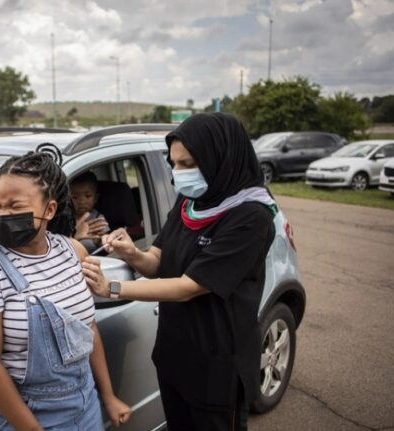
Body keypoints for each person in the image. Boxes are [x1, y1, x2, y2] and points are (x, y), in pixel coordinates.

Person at [81, 113, 277, 431]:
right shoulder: (190, 202)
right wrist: (133, 254)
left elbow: (190, 286)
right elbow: (158, 261)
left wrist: (111, 288)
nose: (178, 174)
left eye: (187, 164)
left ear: (219, 160)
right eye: (174, 164)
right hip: (175, 353)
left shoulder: (251, 217)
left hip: (217, 364)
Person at [0, 147, 132, 430]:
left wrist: (108, 396)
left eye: (15, 207)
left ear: (49, 209)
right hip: (23, 415)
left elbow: (87, 330)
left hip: (84, 403)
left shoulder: (72, 250)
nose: (3, 214)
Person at [70, 171, 109, 253]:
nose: (81, 201)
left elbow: (105, 244)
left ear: (96, 198)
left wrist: (99, 241)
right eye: (75, 197)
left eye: (87, 196)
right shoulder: (65, 219)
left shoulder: (98, 219)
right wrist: (75, 235)